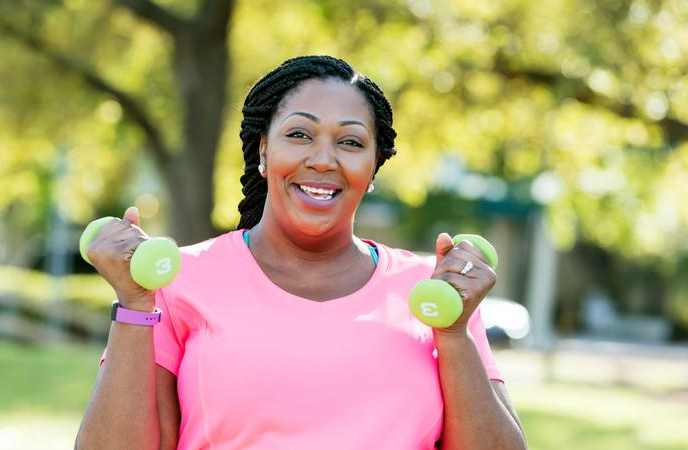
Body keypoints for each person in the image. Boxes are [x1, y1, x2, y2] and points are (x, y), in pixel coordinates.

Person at [75, 55, 527, 450]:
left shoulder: (431, 294)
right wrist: (134, 305)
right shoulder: (177, 282)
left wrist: (453, 335)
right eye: (300, 134)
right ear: (264, 150)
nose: (323, 160)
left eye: (350, 142)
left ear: (373, 167)